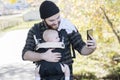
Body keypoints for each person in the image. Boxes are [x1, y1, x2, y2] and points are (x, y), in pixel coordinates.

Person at [22, 0, 96, 80]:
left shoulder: (67, 26)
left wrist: (91, 48)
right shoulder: (35, 31)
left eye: (58, 18)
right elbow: (25, 55)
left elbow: (82, 49)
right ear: (44, 19)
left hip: (66, 77)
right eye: (51, 20)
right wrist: (43, 56)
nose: (56, 22)